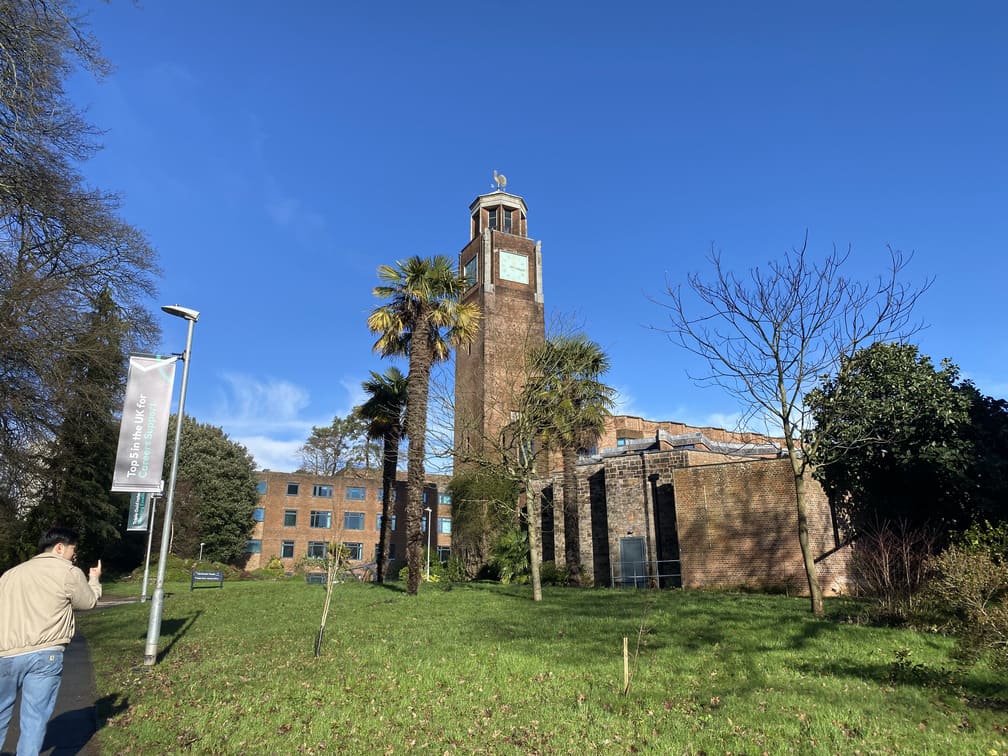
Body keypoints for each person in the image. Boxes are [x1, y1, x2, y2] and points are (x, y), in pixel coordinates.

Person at [0, 527, 102, 755]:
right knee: (34, 719)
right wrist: (94, 580)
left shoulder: (10, 574)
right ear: (59, 547)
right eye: (73, 550)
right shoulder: (67, 571)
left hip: (5, 653)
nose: (74, 556)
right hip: (46, 653)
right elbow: (87, 602)